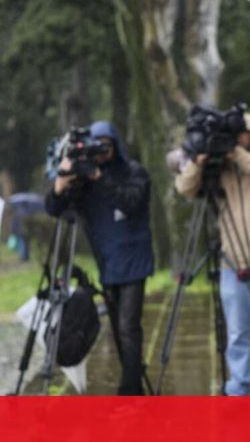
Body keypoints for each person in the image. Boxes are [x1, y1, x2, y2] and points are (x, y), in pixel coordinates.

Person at [175, 112, 250, 396]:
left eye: (242, 134)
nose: (237, 139)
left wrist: (238, 154)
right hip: (232, 260)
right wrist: (198, 161)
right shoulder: (219, 168)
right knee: (236, 333)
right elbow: (184, 187)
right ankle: (237, 387)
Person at [45, 121, 154, 395]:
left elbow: (132, 202)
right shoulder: (85, 181)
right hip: (108, 263)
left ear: (116, 144)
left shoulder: (133, 172)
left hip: (134, 259)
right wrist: (60, 183)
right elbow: (55, 209)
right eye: (98, 145)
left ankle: (131, 391)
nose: (102, 150)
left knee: (129, 326)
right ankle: (132, 378)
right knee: (119, 328)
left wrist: (98, 177)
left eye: (107, 144)